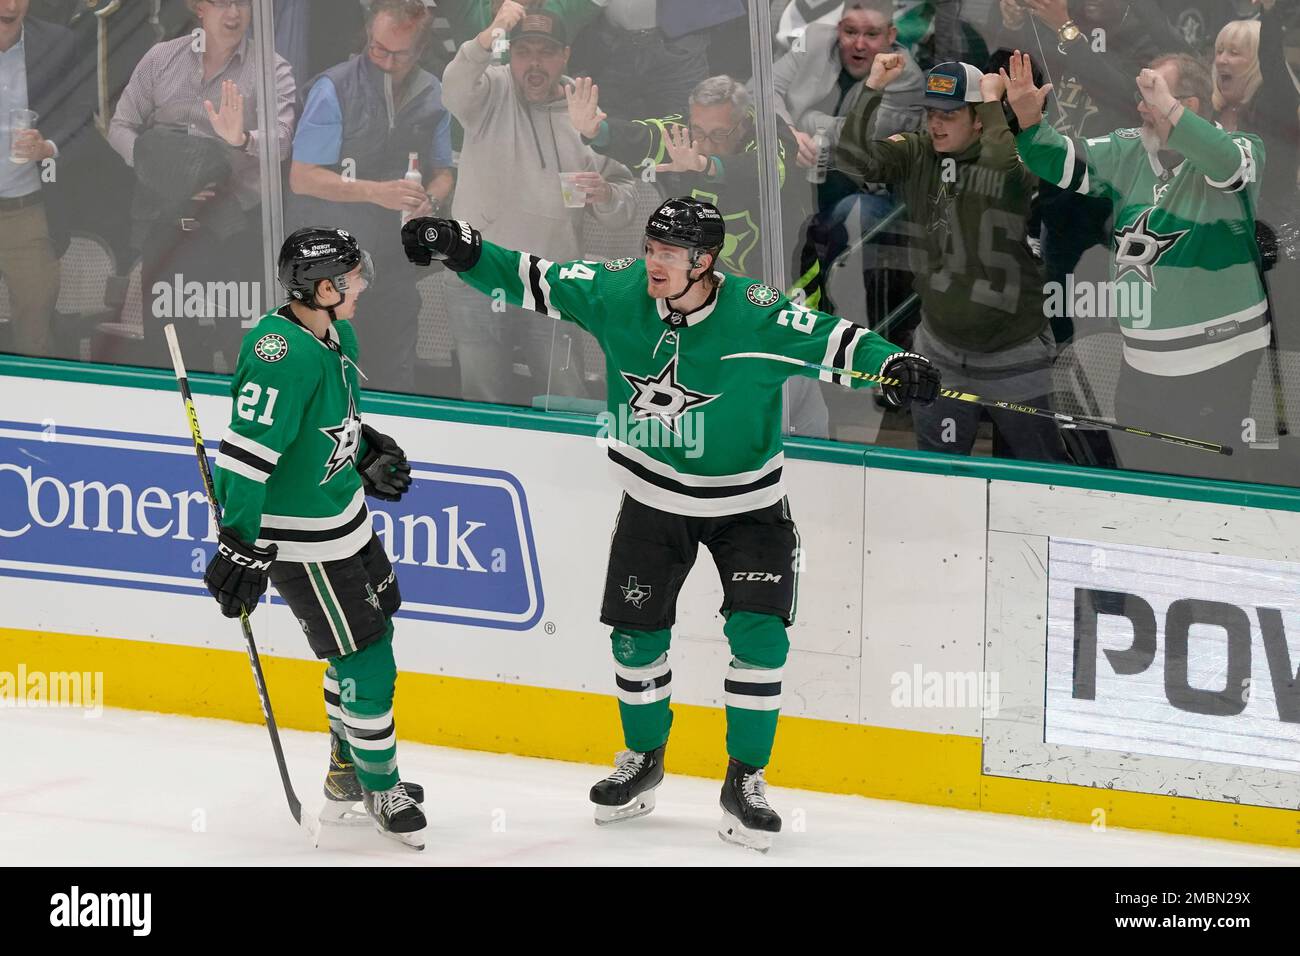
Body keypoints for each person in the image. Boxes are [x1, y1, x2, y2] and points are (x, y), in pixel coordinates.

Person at [401, 197, 941, 850]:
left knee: (761, 637)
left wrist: (891, 365)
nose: (652, 263)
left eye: (667, 255)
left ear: (705, 262)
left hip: (748, 505)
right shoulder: (616, 291)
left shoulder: (757, 313)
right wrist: (459, 245)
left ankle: (744, 779)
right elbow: (531, 278)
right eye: (650, 249)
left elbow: (836, 341)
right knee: (634, 639)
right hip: (653, 501)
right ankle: (643, 759)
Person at [204, 226, 425, 849]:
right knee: (366, 656)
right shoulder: (281, 355)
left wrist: (360, 451)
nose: (362, 284)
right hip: (302, 540)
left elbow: (326, 421)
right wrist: (240, 545)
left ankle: (347, 771)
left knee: (373, 630)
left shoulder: (336, 334)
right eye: (352, 277)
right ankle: (383, 787)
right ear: (324, 288)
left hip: (344, 519)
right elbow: (246, 459)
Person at [1008, 50, 1269, 481]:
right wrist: (1028, 122)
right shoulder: (1130, 148)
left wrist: (1169, 109)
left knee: (1204, 487)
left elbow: (1225, 165)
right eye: (1142, 95)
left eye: (1152, 94)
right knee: (1142, 482)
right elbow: (1061, 160)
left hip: (1220, 361)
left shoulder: (1243, 148)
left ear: (1190, 105)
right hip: (1142, 363)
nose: (1141, 106)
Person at [835, 57, 1070, 462]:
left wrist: (995, 102)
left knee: (1042, 470)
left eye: (951, 114)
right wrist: (871, 89)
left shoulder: (1014, 153)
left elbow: (1001, 172)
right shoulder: (919, 151)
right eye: (930, 113)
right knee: (938, 471)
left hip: (1013, 350)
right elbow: (852, 159)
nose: (936, 124)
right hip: (940, 347)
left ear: (979, 118)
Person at [440, 5, 636, 405]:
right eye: (523, 51)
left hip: (551, 281)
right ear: (509, 54)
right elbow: (453, 85)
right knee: (482, 400)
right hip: (478, 273)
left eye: (544, 52)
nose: (533, 63)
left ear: (565, 55)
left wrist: (606, 195)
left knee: (564, 395)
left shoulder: (583, 113)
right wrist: (492, 30)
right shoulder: (487, 90)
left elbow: (625, 201)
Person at [107, 0, 295, 373]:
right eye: (221, 2)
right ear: (198, 7)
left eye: (242, 3)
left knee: (246, 349)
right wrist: (162, 174)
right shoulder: (162, 58)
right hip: (169, 227)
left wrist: (241, 138)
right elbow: (120, 126)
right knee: (170, 350)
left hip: (237, 232)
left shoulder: (271, 68)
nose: (233, 13)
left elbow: (284, 140)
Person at [288, 0, 455, 393]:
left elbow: (444, 172)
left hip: (394, 261)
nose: (383, 60)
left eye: (397, 53)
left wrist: (429, 201)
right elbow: (302, 177)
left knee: (394, 374)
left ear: (420, 49)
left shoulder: (434, 93)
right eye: (376, 47)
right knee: (330, 375)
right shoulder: (335, 87)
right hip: (332, 261)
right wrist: (376, 192)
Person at [0, 0, 92, 359]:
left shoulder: (56, 43)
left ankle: (32, 411)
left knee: (35, 331)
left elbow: (82, 114)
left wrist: (49, 146)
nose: (9, 6)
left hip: (27, 212)